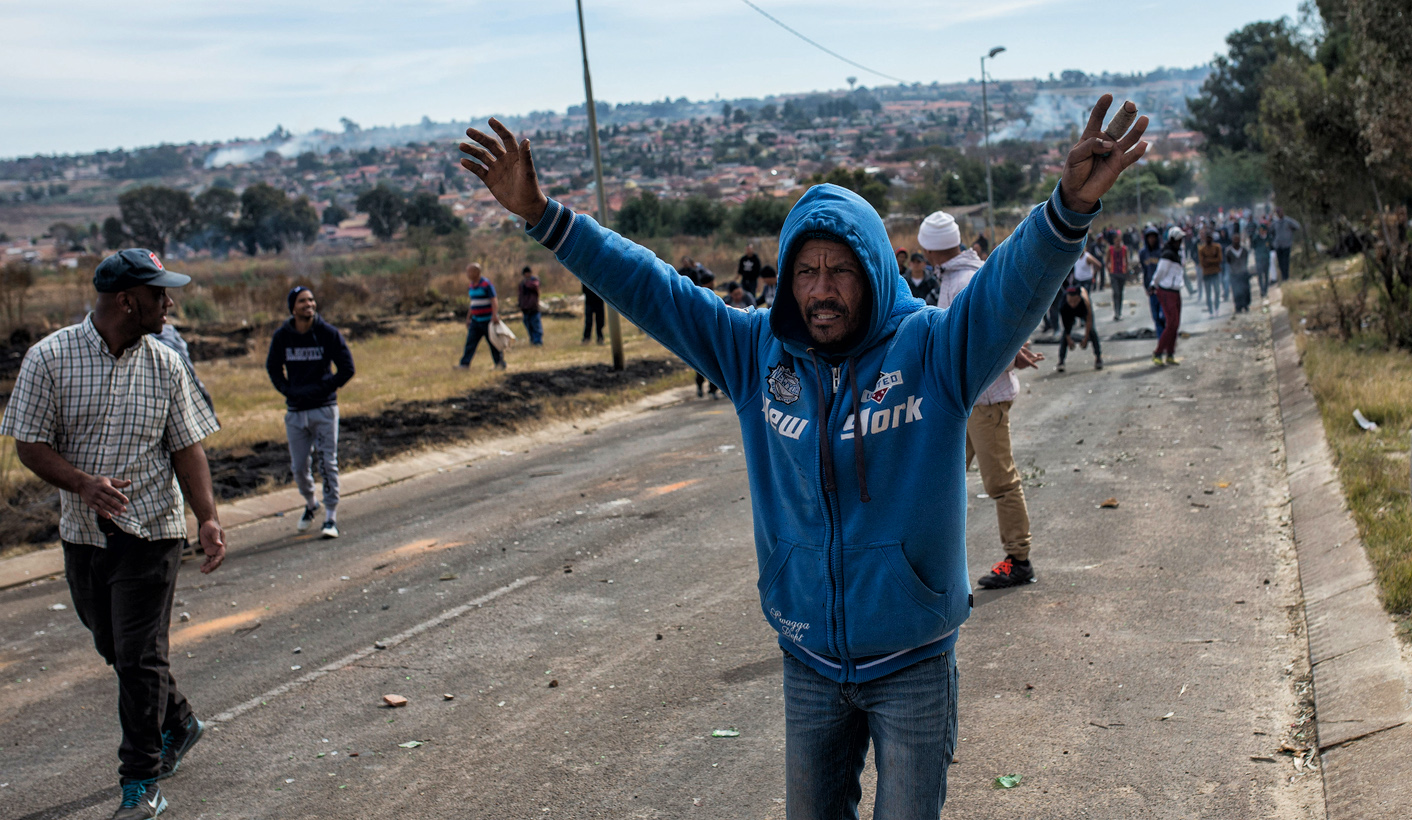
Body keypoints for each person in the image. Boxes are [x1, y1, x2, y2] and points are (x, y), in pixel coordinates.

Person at [458, 93, 1146, 816]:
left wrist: (1068, 209)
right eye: (806, 272)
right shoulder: (753, 352)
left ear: (874, 271)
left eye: (840, 271)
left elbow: (1009, 289)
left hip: (913, 662)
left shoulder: (935, 350)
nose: (822, 291)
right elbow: (651, 288)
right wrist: (544, 216)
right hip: (809, 663)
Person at [1, 249, 224, 820]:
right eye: (159, 294)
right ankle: (180, 721)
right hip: (84, 535)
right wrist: (82, 483)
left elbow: (187, 448)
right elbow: (29, 444)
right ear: (127, 300)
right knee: (113, 646)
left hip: (152, 530)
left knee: (139, 655)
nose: (169, 303)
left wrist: (207, 516)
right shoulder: (49, 358)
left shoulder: (166, 364)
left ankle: (142, 782)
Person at [918, 209, 1044, 589]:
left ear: (931, 249)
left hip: (984, 400)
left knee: (1000, 481)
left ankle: (1019, 560)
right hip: (969, 400)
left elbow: (988, 335)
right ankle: (929, 556)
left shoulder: (962, 280)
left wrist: (1010, 353)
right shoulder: (962, 275)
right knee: (942, 478)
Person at [266, 286, 354, 539]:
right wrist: (288, 390)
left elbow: (347, 368)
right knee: (299, 467)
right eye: (303, 301)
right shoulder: (282, 336)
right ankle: (311, 503)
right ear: (293, 308)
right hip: (296, 412)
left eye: (311, 300)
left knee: (327, 464)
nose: (309, 304)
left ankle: (330, 517)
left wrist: (323, 388)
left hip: (324, 409)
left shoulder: (328, 333)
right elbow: (273, 367)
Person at [1149, 228, 1186, 365]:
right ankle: (1158, 353)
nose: (1180, 242)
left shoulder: (1178, 253)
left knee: (1175, 324)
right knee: (1171, 324)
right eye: (1178, 240)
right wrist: (1153, 284)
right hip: (1166, 292)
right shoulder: (1167, 254)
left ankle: (1170, 353)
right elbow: (1160, 272)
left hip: (1175, 291)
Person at [459, 263, 505, 368]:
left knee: (493, 342)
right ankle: (464, 364)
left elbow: (494, 300)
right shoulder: (471, 285)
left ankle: (499, 363)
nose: (467, 274)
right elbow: (473, 303)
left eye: (469, 272)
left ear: (476, 272)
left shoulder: (486, 284)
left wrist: (494, 315)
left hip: (487, 320)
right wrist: (468, 318)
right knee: (470, 343)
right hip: (476, 320)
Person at [1057, 285, 1102, 371]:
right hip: (1068, 312)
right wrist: (1069, 339)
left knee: (1092, 331)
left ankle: (1098, 357)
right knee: (1065, 335)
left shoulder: (1085, 302)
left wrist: (1086, 338)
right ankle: (1061, 361)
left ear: (1079, 298)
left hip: (1081, 310)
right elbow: (1065, 325)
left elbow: (1088, 321)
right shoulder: (1063, 305)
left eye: (1075, 301)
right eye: (1070, 301)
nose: (1073, 304)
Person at [1138, 225, 1165, 338]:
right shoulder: (1143, 253)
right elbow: (1145, 271)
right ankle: (1161, 339)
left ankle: (1166, 338)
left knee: (1163, 316)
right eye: (1149, 237)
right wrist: (1146, 286)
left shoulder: (1162, 251)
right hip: (1151, 289)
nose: (1151, 239)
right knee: (1156, 317)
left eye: (1153, 237)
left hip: (1162, 288)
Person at [1197, 230, 1224, 316]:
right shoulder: (1202, 249)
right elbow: (1202, 262)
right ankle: (1210, 311)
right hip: (1207, 274)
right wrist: (1213, 260)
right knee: (1208, 294)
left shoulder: (1217, 247)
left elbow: (1219, 259)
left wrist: (1208, 260)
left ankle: (1217, 308)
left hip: (1215, 272)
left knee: (1217, 291)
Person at [1271, 207, 1301, 281]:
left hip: (1286, 245)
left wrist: (1290, 234)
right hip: (1278, 245)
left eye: (1281, 212)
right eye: (1278, 212)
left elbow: (1297, 226)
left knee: (1285, 261)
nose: (1280, 213)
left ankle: (1286, 277)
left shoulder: (1288, 221)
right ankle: (1283, 276)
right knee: (1280, 262)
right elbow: (1271, 232)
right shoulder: (1275, 223)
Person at [1226, 231, 1252, 313]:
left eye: (1237, 240)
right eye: (1235, 240)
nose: (1236, 241)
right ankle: (1238, 306)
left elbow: (1246, 260)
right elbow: (1228, 262)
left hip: (1243, 273)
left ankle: (1245, 305)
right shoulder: (1229, 251)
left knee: (1245, 290)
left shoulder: (1244, 250)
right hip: (1234, 274)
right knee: (1236, 291)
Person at [517, 265, 543, 346]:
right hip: (525, 309)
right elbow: (520, 295)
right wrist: (520, 304)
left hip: (534, 308)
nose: (527, 274)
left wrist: (527, 283)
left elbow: (535, 286)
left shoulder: (534, 281)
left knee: (536, 326)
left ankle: (538, 341)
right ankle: (533, 341)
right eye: (526, 273)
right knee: (529, 326)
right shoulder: (522, 284)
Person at [1106, 236, 1130, 320]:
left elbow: (1127, 261)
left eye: (1119, 241)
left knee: (1120, 293)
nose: (1118, 243)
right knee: (1116, 293)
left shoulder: (1124, 249)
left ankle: (1119, 312)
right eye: (1116, 241)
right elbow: (1107, 261)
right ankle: (1116, 312)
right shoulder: (1110, 250)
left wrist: (1126, 271)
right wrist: (1109, 271)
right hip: (1113, 273)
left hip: (1122, 273)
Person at [1252, 223, 1272, 299]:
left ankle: (1265, 289)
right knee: (1260, 275)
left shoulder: (1268, 237)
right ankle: (1262, 290)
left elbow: (1271, 246)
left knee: (1266, 275)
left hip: (1266, 258)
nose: (1261, 232)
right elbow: (1253, 246)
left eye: (1262, 230)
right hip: (1259, 259)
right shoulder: (1256, 238)